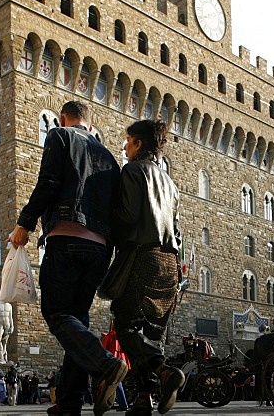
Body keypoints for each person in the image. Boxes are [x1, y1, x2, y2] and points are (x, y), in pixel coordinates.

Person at [8, 100, 127, 416]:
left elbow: (48, 181)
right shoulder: (109, 157)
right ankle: (71, 401)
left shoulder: (59, 136)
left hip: (66, 237)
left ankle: (105, 365)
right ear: (90, 124)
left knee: (57, 312)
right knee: (78, 318)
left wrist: (25, 223)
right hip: (99, 249)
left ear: (63, 119)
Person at [108, 120, 185, 416]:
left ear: (139, 143)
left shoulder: (133, 171)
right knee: (153, 330)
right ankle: (144, 397)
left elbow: (126, 216)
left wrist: (106, 216)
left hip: (142, 256)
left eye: (128, 141)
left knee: (126, 323)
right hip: (169, 260)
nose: (125, 146)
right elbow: (175, 227)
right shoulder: (169, 181)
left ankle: (163, 371)